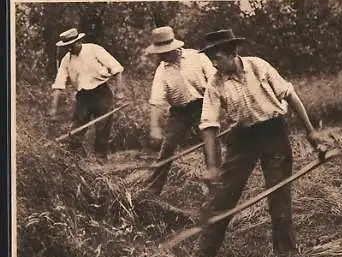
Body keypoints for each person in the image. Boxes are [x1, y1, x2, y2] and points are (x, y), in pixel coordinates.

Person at [194, 29, 327, 257]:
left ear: (233, 52)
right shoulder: (215, 84)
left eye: (218, 56)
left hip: (273, 132)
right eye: (211, 58)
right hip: (242, 139)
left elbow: (291, 96)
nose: (214, 62)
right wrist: (212, 166)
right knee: (225, 196)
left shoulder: (259, 67)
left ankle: (286, 254)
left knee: (278, 193)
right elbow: (208, 126)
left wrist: (312, 133)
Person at [142, 26, 217, 196]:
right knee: (167, 147)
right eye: (159, 53)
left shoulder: (197, 57)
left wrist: (219, 108)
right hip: (179, 111)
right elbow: (156, 101)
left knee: (211, 144)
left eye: (164, 52)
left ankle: (216, 187)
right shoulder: (162, 70)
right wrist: (155, 128)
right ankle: (152, 191)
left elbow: (215, 81)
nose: (162, 56)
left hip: (203, 105)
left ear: (174, 47)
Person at [49, 28, 124, 162]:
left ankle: (100, 160)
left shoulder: (94, 50)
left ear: (80, 41)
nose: (71, 48)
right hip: (83, 97)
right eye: (68, 46)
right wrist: (53, 109)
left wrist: (119, 94)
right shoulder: (66, 60)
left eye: (73, 44)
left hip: (102, 93)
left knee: (102, 128)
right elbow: (58, 85)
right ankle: (75, 161)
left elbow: (117, 69)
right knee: (76, 129)